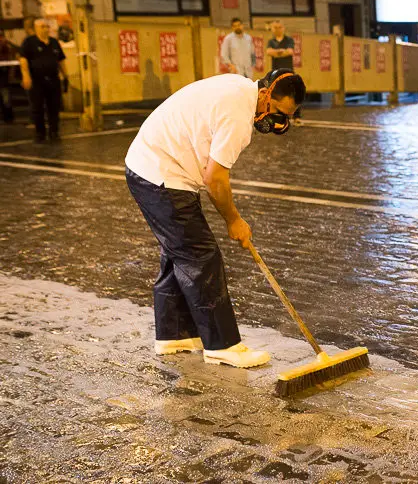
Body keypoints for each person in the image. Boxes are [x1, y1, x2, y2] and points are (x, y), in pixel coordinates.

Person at [124, 69, 306, 368]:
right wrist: (234, 220)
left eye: (285, 117)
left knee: (180, 251)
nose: (276, 122)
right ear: (265, 94)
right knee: (201, 257)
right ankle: (223, 345)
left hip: (148, 165)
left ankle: (174, 335)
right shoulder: (238, 117)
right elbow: (215, 179)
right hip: (160, 173)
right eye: (276, 111)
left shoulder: (238, 86)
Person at [18, 19, 69, 143]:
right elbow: (23, 60)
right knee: (37, 107)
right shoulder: (29, 42)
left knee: (54, 107)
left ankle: (54, 132)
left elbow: (61, 60)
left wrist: (66, 75)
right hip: (37, 81)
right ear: (36, 28)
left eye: (47, 26)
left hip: (53, 80)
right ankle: (40, 133)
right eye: (42, 27)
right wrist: (26, 76)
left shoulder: (54, 42)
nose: (46, 29)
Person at [0, 30, 19, 123]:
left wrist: (11, 73)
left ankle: (8, 117)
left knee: (6, 96)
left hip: (3, 74)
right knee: (5, 96)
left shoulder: (6, 45)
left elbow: (11, 57)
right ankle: (8, 117)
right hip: (4, 74)